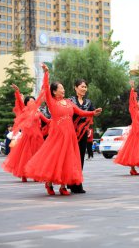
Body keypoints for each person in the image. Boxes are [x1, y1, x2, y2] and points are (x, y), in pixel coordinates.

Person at [25, 64, 102, 196]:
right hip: (57, 136)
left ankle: (63, 186)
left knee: (68, 160)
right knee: (55, 160)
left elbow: (81, 112)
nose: (63, 90)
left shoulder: (68, 102)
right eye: (61, 88)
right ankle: (49, 183)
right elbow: (46, 87)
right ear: (54, 91)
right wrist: (46, 73)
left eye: (63, 88)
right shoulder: (52, 102)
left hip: (70, 136)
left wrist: (93, 113)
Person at [2, 84, 50, 182]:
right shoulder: (24, 112)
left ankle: (36, 174)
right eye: (30, 101)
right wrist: (17, 92)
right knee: (25, 157)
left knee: (37, 157)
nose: (33, 102)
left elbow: (47, 121)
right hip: (27, 137)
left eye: (33, 100)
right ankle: (24, 174)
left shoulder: (38, 112)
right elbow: (19, 102)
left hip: (38, 138)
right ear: (27, 103)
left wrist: (58, 120)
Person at [114, 81, 139, 175]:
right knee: (134, 152)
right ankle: (133, 169)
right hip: (135, 135)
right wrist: (132, 90)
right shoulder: (134, 111)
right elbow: (131, 101)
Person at [68, 79, 96, 194]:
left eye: (85, 87)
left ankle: (78, 183)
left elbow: (91, 116)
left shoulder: (88, 102)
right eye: (81, 86)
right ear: (75, 87)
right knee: (71, 158)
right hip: (71, 133)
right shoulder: (70, 100)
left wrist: (88, 128)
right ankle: (70, 182)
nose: (84, 89)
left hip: (83, 134)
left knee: (80, 158)